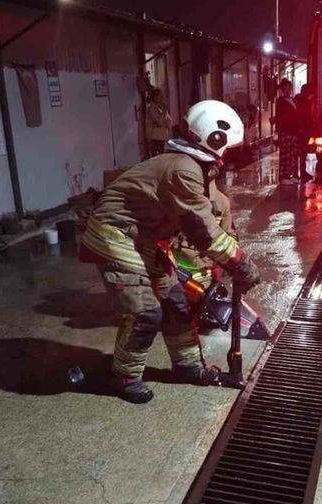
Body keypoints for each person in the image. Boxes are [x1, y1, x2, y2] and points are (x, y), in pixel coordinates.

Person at [79, 100, 261, 404]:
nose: (227, 154)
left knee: (175, 301)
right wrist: (240, 263)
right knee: (144, 309)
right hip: (115, 233)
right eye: (226, 146)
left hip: (142, 236)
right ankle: (124, 376)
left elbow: (213, 210)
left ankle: (187, 366)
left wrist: (231, 247)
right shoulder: (183, 170)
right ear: (212, 138)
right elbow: (202, 230)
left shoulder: (197, 168)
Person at [275, 78, 300, 184]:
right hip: (285, 131)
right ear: (282, 90)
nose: (288, 91)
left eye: (290, 88)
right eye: (286, 89)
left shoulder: (293, 100)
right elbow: (282, 117)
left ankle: (290, 175)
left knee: (293, 154)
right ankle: (283, 176)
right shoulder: (280, 101)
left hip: (293, 131)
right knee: (285, 154)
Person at [294, 83, 315, 181]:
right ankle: (301, 172)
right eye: (309, 91)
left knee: (301, 152)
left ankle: (299, 172)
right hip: (302, 130)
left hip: (302, 129)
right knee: (302, 151)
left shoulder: (300, 100)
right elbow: (303, 116)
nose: (310, 93)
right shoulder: (303, 101)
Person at [145, 88, 172, 158]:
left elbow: (169, 121)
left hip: (162, 136)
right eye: (160, 96)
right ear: (155, 97)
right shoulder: (151, 108)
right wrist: (165, 111)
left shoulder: (160, 108)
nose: (162, 98)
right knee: (158, 158)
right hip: (156, 137)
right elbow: (160, 121)